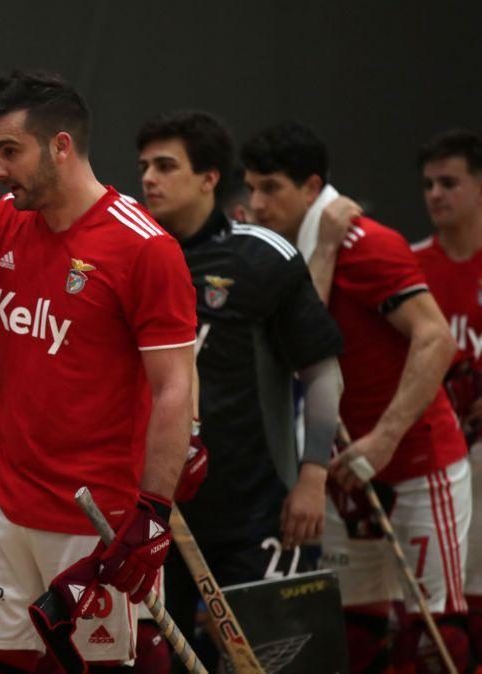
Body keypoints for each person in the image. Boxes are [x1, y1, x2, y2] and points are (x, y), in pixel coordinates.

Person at [0, 70, 197, 673]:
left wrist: (153, 511)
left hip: (95, 517)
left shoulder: (144, 247)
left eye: (11, 151)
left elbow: (174, 387)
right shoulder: (4, 220)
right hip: (4, 504)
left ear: (60, 146)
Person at [241, 121, 471, 673]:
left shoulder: (366, 244)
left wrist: (385, 438)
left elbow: (436, 340)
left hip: (414, 464)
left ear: (310, 186)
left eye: (270, 188)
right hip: (342, 469)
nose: (255, 203)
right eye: (250, 188)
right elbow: (299, 348)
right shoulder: (293, 248)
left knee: (437, 636)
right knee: (355, 630)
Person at [135, 111, 344, 671]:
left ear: (208, 177)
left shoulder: (260, 257)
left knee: (275, 663)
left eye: (165, 165)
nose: (149, 178)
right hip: (158, 516)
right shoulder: (128, 254)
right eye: (144, 166)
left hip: (259, 515)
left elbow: (322, 372)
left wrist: (312, 475)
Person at [410, 128, 482, 667]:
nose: (436, 194)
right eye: (429, 184)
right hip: (437, 450)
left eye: (449, 182)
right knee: (450, 598)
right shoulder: (412, 266)